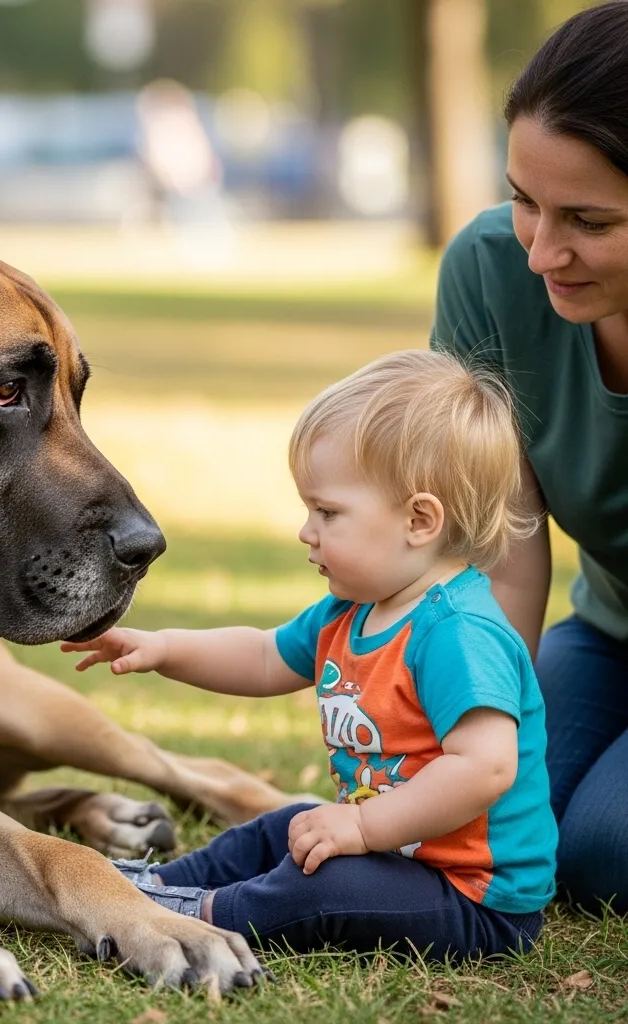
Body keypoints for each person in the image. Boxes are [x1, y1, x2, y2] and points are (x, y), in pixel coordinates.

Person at [62, 350, 557, 960]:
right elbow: (266, 657)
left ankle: (198, 914)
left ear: (419, 520)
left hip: (470, 897)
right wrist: (163, 648)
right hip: (395, 853)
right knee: (286, 823)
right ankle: (158, 883)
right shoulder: (351, 612)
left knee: (323, 882)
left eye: (327, 512)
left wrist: (363, 827)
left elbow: (485, 769)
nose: (306, 530)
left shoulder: (459, 633)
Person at [430, 0, 628, 915]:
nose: (544, 251)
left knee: (603, 852)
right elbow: (505, 546)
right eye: (524, 199)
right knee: (479, 830)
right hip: (609, 633)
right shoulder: (487, 271)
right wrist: (471, 719)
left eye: (588, 219)